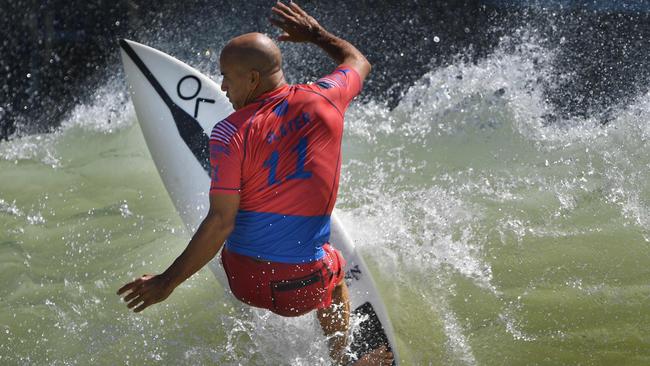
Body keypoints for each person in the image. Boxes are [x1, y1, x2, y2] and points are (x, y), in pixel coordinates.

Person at [117, 2, 393, 365]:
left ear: (252, 80)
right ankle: (342, 358)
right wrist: (315, 35)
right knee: (334, 273)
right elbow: (358, 61)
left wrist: (166, 282)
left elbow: (220, 223)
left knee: (240, 201)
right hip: (304, 290)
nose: (222, 86)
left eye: (227, 77)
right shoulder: (328, 96)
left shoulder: (229, 132)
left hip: (245, 283)